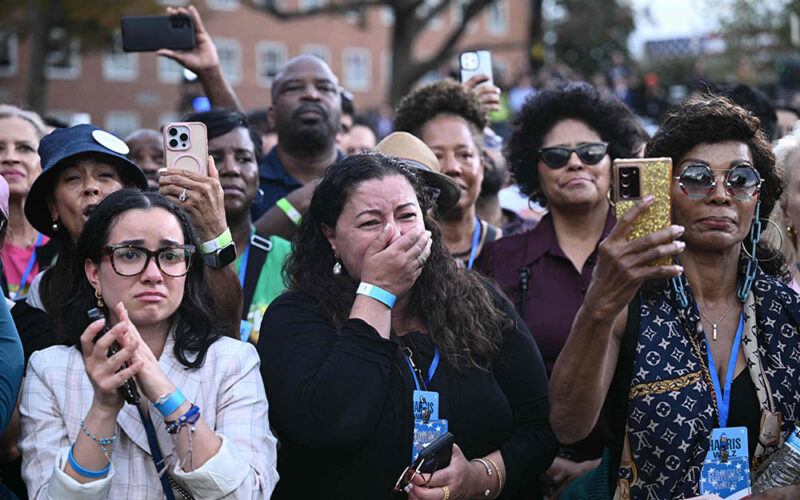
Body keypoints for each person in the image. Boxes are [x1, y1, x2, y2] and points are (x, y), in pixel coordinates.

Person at [259, 153, 557, 499]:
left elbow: (539, 429)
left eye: (406, 216)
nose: (394, 234)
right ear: (331, 236)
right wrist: (378, 292)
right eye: (370, 223)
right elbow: (331, 427)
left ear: (427, 224)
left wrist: (478, 478)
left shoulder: (479, 303)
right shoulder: (296, 316)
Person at [549, 94, 800, 499]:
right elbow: (568, 426)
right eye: (697, 178)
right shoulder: (628, 306)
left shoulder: (787, 313)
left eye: (740, 179)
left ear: (759, 196)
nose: (720, 194)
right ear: (664, 194)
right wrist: (597, 306)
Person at [19, 189, 278, 499]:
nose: (153, 275)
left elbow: (247, 494)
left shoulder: (232, 361)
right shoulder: (50, 370)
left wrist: (165, 393)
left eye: (170, 255)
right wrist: (103, 409)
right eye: (130, 254)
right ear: (94, 273)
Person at [475, 82, 643, 497]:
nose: (575, 163)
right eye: (556, 155)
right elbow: (479, 378)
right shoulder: (500, 259)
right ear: (534, 168)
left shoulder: (651, 257)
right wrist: (533, 455)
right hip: (524, 472)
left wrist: (607, 464)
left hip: (631, 472)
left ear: (614, 162)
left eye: (591, 152)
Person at [184, 108, 291, 344]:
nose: (231, 169)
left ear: (259, 174)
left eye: (244, 158)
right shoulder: (168, 256)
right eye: (214, 158)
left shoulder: (290, 259)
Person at [24, 123, 148, 316]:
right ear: (53, 206)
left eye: (105, 175)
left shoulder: (162, 269)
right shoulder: (45, 290)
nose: (91, 187)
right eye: (73, 178)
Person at [394, 79, 501, 268]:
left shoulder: (513, 251)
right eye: (437, 156)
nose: (453, 167)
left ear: (482, 167)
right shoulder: (399, 255)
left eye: (464, 155)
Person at [251, 55, 344, 218]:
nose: (311, 95)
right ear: (272, 116)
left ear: (340, 114)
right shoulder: (247, 184)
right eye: (294, 88)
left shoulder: (365, 182)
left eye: (325, 88)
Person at [0, 105, 59, 299]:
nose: (10, 158)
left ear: (44, 162)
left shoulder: (69, 241)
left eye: (24, 148)